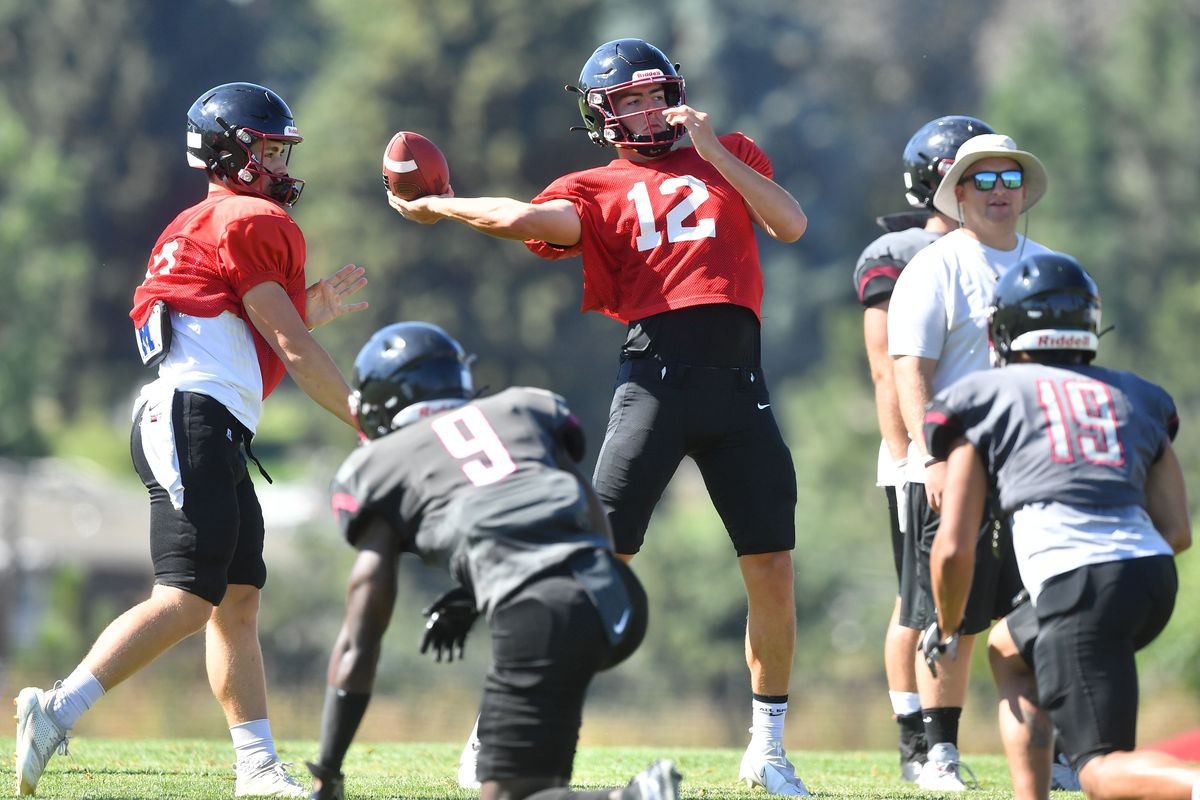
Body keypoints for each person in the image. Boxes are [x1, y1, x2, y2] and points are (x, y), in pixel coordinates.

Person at [388, 38, 810, 796]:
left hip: (740, 384)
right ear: (602, 116)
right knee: (589, 565)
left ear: (676, 94)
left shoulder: (730, 151)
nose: (646, 111)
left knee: (773, 567)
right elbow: (521, 219)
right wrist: (437, 203)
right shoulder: (593, 186)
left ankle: (768, 747)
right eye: (628, 101)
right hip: (655, 382)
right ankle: (496, 730)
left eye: (655, 95)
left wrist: (714, 149)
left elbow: (789, 225)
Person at [13, 82, 368, 798]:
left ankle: (257, 769)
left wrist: (309, 307)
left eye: (279, 149)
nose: (276, 162)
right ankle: (56, 709)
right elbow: (289, 348)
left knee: (236, 599)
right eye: (265, 148)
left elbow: (231, 334)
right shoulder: (246, 218)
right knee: (187, 595)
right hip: (192, 417)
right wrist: (368, 419)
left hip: (202, 418)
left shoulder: (194, 225)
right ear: (230, 151)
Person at [304, 321, 680, 800]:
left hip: (541, 611)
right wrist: (477, 592)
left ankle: (638, 797)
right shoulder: (522, 408)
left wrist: (329, 770)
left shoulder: (377, 466)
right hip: (615, 595)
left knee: (508, 796)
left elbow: (361, 634)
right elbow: (587, 515)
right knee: (538, 786)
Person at [922, 252, 1200, 800]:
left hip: (1081, 583)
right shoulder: (1137, 395)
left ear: (1003, 329)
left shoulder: (981, 399)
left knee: (1101, 771)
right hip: (1150, 576)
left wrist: (949, 625)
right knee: (1007, 647)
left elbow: (953, 548)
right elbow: (1178, 530)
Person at [887, 132, 1053, 791]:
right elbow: (911, 371)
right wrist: (929, 458)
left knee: (1035, 613)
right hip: (953, 466)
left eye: (1009, 177)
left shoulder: (1048, 266)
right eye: (983, 180)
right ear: (957, 194)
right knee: (943, 615)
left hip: (1033, 469)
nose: (1000, 190)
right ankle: (938, 754)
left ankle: (1052, 751)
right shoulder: (936, 265)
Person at [853, 114, 993, 782]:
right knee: (920, 601)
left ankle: (938, 740)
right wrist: (912, 455)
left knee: (969, 602)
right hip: (922, 451)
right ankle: (917, 742)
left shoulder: (990, 250)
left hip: (981, 455)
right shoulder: (899, 253)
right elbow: (888, 367)